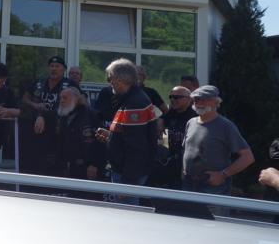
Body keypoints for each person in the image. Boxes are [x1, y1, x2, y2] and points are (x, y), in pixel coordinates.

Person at [182, 85, 255, 213]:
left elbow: (248, 157)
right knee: (188, 223)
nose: (200, 103)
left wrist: (223, 175)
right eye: (197, 99)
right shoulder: (191, 122)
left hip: (213, 189)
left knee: (213, 224)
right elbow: (187, 151)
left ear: (216, 102)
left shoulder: (225, 126)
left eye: (204, 99)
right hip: (189, 185)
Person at [100, 58, 157, 200]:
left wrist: (128, 183)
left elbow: (137, 147)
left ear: (119, 79)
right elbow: (130, 135)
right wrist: (111, 136)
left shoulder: (135, 103)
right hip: (127, 171)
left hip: (128, 175)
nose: (109, 82)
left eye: (110, 78)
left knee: (126, 212)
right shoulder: (130, 99)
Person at [20, 55, 80, 175]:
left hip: (59, 131)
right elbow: (25, 99)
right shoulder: (39, 83)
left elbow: (78, 102)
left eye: (57, 66)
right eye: (51, 66)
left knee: (56, 167)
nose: (54, 69)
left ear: (63, 69)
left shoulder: (70, 84)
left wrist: (44, 115)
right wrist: (35, 105)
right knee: (35, 164)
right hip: (37, 131)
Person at [149, 86, 195, 189]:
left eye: (177, 97)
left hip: (185, 166)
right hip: (168, 165)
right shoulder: (170, 114)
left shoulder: (194, 117)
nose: (173, 100)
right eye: (171, 97)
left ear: (189, 99)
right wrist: (160, 122)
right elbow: (163, 139)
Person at [56, 87, 105, 181]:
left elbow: (101, 142)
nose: (61, 101)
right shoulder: (62, 115)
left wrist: (95, 164)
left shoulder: (92, 115)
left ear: (76, 99)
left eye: (65, 98)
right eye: (60, 98)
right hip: (66, 166)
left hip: (86, 167)